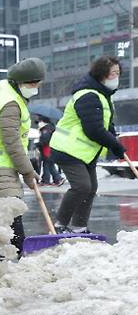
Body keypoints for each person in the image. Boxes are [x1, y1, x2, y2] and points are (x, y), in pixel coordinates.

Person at [0, 57, 45, 256]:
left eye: (38, 83)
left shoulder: (1, 87)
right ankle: (16, 256)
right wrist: (28, 172)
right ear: (19, 82)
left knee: (1, 213)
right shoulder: (11, 104)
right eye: (32, 84)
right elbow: (12, 143)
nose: (35, 88)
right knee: (12, 211)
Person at [50, 56, 126, 234]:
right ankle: (60, 225)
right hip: (67, 149)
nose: (117, 77)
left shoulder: (103, 96)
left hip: (84, 152)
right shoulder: (88, 95)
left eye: (118, 73)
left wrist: (114, 140)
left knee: (91, 188)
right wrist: (115, 146)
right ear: (102, 74)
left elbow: (107, 125)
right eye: (113, 73)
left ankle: (79, 227)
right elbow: (94, 129)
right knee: (82, 186)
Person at [35, 119, 64, 186]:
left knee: (47, 165)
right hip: (50, 150)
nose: (38, 124)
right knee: (49, 165)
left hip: (47, 150)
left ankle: (52, 180)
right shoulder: (50, 128)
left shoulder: (46, 130)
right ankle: (56, 179)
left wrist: (38, 144)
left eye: (39, 122)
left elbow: (45, 140)